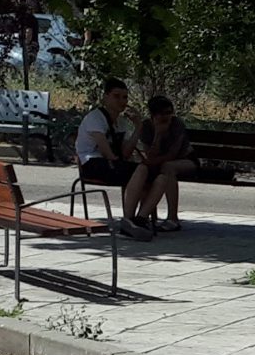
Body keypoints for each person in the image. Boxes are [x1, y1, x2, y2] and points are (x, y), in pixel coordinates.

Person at [118, 95, 193, 238]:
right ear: (153, 115)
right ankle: (137, 219)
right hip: (157, 163)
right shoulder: (147, 127)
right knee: (145, 171)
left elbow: (173, 154)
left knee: (168, 167)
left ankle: (172, 218)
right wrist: (158, 134)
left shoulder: (177, 125)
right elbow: (150, 154)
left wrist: (152, 161)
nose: (166, 117)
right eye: (162, 114)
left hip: (184, 160)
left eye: (169, 113)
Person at [73, 79, 137, 193]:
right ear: (106, 97)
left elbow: (126, 153)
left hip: (112, 164)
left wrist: (139, 127)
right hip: (91, 164)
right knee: (140, 172)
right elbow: (108, 153)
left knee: (150, 174)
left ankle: (140, 210)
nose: (121, 101)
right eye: (116, 96)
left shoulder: (122, 122)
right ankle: (133, 210)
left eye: (125, 97)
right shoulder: (95, 118)